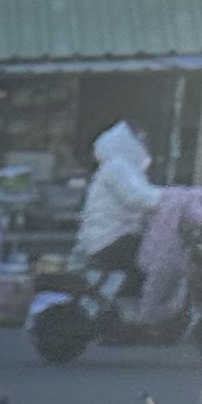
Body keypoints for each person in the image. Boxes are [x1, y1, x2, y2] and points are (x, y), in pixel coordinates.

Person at [76, 117, 163, 291]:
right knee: (161, 255)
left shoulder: (120, 168)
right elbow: (140, 197)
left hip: (106, 239)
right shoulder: (118, 167)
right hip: (110, 239)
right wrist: (173, 198)